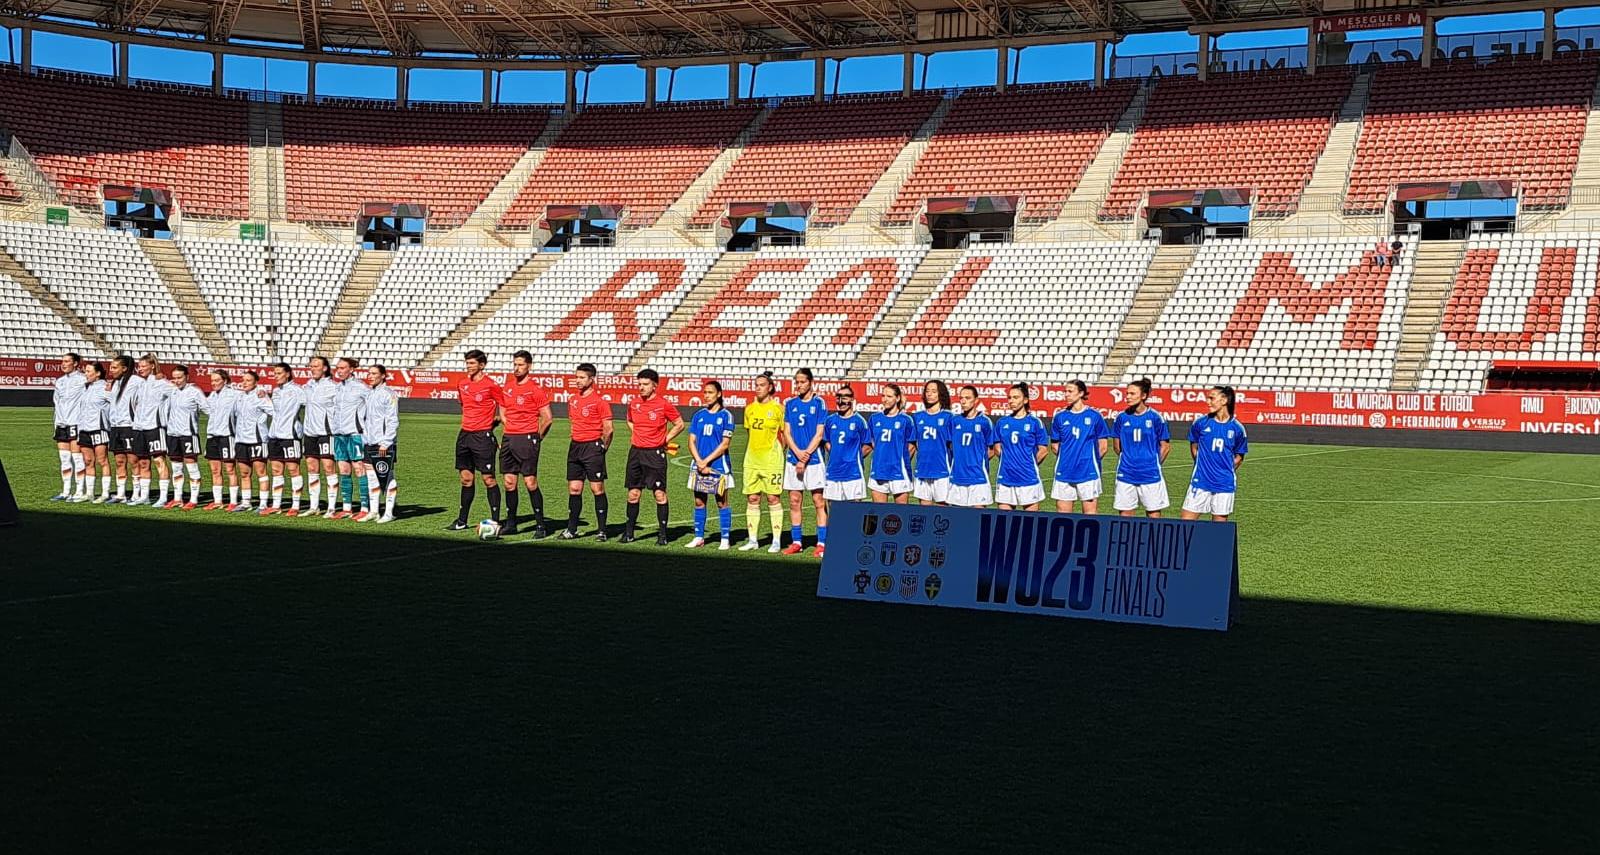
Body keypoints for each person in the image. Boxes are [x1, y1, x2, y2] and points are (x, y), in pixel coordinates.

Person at [622, 368, 685, 545]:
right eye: (639, 384)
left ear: (654, 385)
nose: (641, 387)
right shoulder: (634, 403)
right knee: (633, 494)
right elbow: (629, 420)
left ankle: (663, 535)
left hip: (655, 455)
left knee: (659, 494)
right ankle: (629, 533)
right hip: (635, 453)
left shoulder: (663, 404)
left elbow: (679, 424)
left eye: (645, 384)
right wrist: (638, 434)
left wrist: (665, 439)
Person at [448, 349, 506, 531]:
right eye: (467, 363)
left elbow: (504, 410)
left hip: (483, 437)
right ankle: (461, 520)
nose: (468, 366)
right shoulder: (463, 384)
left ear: (482, 365)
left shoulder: (492, 386)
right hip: (465, 436)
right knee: (466, 479)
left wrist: (494, 426)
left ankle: (495, 521)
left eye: (472, 363)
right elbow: (466, 407)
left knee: (488, 479)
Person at [499, 350, 554, 538]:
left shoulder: (535, 390)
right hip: (509, 438)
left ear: (529, 366)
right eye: (514, 364)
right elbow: (503, 411)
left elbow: (547, 418)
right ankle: (511, 523)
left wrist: (536, 438)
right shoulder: (507, 388)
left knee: (530, 482)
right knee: (509, 482)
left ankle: (540, 525)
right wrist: (511, 429)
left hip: (528, 439)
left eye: (520, 365)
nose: (516, 368)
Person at [562, 362, 613, 541]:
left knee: (596, 488)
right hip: (575, 446)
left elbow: (608, 429)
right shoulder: (573, 400)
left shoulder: (600, 402)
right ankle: (572, 529)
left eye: (582, 377)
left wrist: (602, 448)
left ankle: (602, 530)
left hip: (592, 447)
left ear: (592, 379)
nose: (578, 380)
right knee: (574, 489)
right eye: (576, 377)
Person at [819, 384, 871, 557]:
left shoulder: (859, 421)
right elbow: (825, 441)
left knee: (854, 510)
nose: (842, 400)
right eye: (839, 397)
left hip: (853, 473)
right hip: (833, 472)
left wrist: (853, 457)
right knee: (833, 510)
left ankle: (855, 542)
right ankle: (835, 542)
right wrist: (834, 453)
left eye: (846, 397)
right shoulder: (830, 421)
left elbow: (869, 444)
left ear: (852, 400)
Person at [1182, 386, 1248, 522]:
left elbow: (1239, 457)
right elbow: (1194, 446)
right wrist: (1202, 466)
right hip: (1200, 481)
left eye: (1212, 398)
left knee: (1218, 531)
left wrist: (1224, 471)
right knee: (1185, 525)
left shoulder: (1237, 428)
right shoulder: (1200, 423)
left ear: (1224, 400)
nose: (1208, 402)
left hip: (1224, 484)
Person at [781, 368, 828, 555]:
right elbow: (787, 432)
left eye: (801, 382)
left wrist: (806, 454)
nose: (798, 385)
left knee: (818, 500)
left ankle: (822, 543)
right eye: (796, 382)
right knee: (794, 500)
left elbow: (819, 433)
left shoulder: (819, 403)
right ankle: (797, 541)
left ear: (810, 382)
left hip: (814, 460)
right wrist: (797, 453)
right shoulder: (790, 404)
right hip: (794, 459)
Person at [739, 371, 786, 553]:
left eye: (761, 385)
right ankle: (753, 540)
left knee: (773, 498)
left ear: (770, 387)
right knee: (752, 498)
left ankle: (776, 540)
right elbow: (750, 434)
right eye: (756, 385)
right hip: (752, 460)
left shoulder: (778, 409)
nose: (758, 388)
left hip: (772, 461)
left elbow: (784, 435)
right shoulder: (749, 409)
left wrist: (777, 453)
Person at [686, 380, 735, 550]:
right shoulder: (698, 415)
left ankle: (725, 538)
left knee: (722, 502)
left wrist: (706, 461)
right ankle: (699, 537)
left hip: (718, 466)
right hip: (698, 465)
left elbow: (725, 444)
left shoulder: (726, 415)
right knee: (699, 501)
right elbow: (691, 441)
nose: (706, 396)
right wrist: (699, 461)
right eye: (705, 392)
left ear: (719, 394)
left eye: (710, 392)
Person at [1113, 377, 1171, 518]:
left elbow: (1165, 446)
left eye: (1132, 394)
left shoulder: (1156, 418)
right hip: (1126, 473)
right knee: (1125, 515)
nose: (1127, 397)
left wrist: (1153, 462)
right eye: (1127, 393)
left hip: (1150, 474)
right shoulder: (1121, 417)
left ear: (1144, 396)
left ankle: (1154, 540)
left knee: (1153, 514)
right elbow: (1116, 446)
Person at [1050, 379, 1110, 514]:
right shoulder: (1059, 416)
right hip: (1064, 472)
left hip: (1088, 472)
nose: (1066, 395)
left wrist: (1089, 460)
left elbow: (1103, 445)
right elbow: (1054, 445)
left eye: (1070, 391)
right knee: (1063, 519)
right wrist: (1068, 457)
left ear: (1081, 393)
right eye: (1065, 391)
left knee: (1090, 518)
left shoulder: (1094, 416)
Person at [128, 354, 173, 507]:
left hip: (155, 427)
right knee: (143, 462)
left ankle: (163, 497)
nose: (140, 369)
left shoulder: (162, 383)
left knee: (159, 461)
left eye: (143, 366)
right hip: (139, 428)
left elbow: (178, 393)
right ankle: (144, 496)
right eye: (138, 366)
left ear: (152, 366)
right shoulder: (140, 384)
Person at [994, 383, 1047, 511]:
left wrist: (1029, 463)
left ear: (1025, 400)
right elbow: (997, 447)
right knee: (1003, 522)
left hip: (1028, 478)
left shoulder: (1035, 422)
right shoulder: (1002, 422)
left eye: (1016, 397)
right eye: (1009, 397)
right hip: (1006, 477)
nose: (1011, 401)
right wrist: (1009, 462)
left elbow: (1043, 450)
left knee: (1030, 523)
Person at [328, 357, 370, 519]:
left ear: (351, 369)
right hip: (339, 434)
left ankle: (365, 507)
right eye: (337, 368)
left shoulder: (361, 388)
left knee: (359, 469)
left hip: (355, 434)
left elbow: (373, 404)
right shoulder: (337, 388)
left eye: (343, 368)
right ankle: (347, 508)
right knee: (344, 470)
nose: (339, 371)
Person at [160, 365, 206, 510]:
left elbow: (208, 408)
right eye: (175, 377)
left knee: (191, 466)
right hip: (172, 434)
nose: (177, 381)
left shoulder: (195, 392)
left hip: (188, 435)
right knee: (176, 467)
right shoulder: (172, 391)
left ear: (187, 376)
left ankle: (193, 499)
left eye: (180, 377)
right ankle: (177, 498)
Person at [263, 363, 306, 516]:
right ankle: (276, 504)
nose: (276, 376)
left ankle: (295, 505)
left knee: (293, 470)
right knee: (276, 470)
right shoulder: (275, 391)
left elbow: (310, 404)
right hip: (274, 436)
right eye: (274, 373)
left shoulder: (297, 391)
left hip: (290, 436)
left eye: (279, 373)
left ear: (288, 374)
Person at [360, 364, 401, 524]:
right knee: (371, 477)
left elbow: (392, 420)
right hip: (369, 442)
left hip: (383, 443)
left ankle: (389, 512)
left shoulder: (388, 394)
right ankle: (374, 511)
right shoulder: (370, 394)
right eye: (369, 373)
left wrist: (386, 442)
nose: (370, 376)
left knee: (387, 476)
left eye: (374, 373)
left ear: (383, 376)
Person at [299, 356, 339, 516]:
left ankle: (331, 507)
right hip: (309, 433)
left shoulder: (333, 387)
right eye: (311, 366)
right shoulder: (307, 386)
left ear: (324, 368)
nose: (312, 368)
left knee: (329, 468)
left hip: (326, 433)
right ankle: (314, 506)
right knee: (311, 468)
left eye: (316, 366)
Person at [946, 385, 997, 509]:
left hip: (978, 478)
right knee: (956, 519)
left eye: (967, 398)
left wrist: (976, 461)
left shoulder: (985, 422)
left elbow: (992, 449)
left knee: (978, 519)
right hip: (957, 477)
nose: (963, 401)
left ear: (976, 400)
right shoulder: (954, 421)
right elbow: (949, 446)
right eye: (961, 398)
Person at [230, 370, 272, 513]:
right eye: (243, 380)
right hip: (241, 440)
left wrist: (263, 420)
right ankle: (246, 502)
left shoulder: (261, 396)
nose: (245, 383)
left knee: (261, 472)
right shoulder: (240, 397)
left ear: (255, 382)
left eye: (248, 380)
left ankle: (263, 504)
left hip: (257, 440)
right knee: (244, 473)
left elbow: (274, 411)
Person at [867, 383, 915, 504]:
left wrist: (900, 460)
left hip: (899, 472)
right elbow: (872, 441)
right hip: (879, 470)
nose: (885, 399)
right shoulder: (874, 418)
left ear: (897, 398)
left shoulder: (906, 420)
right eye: (883, 396)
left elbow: (912, 445)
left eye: (889, 396)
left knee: (901, 514)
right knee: (878, 513)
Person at [201, 369, 242, 511]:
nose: (214, 383)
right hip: (212, 436)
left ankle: (233, 501)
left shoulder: (234, 394)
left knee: (230, 469)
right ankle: (218, 501)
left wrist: (260, 393)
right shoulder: (212, 396)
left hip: (226, 436)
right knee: (214, 470)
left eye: (217, 380)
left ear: (225, 381)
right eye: (212, 381)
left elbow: (249, 397)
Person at [104, 355, 142, 504]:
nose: (111, 370)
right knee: (119, 461)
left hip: (129, 426)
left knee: (134, 460)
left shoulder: (136, 382)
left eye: (114, 367)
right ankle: (121, 493)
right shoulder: (114, 383)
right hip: (115, 427)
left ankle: (137, 493)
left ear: (125, 369)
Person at [72, 362, 112, 503]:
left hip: (98, 429)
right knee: (88, 461)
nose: (86, 374)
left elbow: (116, 404)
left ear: (98, 373)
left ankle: (105, 493)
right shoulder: (86, 388)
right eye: (85, 371)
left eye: (89, 371)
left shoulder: (105, 388)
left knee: (102, 460)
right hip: (84, 429)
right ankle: (89, 493)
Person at [911, 380, 954, 506]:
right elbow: (914, 444)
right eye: (927, 391)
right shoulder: (917, 417)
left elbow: (953, 446)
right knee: (924, 513)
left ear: (941, 394)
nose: (929, 394)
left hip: (942, 470)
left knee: (943, 512)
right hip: (922, 470)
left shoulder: (949, 417)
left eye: (933, 391)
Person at [50, 352, 86, 501]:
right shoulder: (59, 381)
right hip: (61, 423)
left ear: (76, 363)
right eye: (62, 361)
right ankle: (65, 491)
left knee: (77, 458)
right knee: (64, 458)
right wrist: (56, 422)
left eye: (67, 361)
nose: (63, 364)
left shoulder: (83, 380)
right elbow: (56, 402)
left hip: (75, 423)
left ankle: (79, 491)